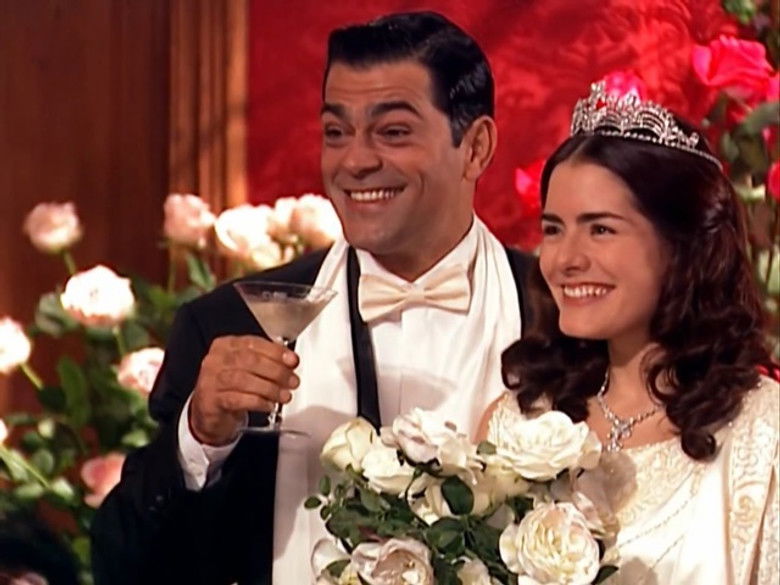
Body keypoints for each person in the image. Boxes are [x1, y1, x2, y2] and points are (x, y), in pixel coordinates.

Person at [91, 12, 537, 585]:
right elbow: (121, 565)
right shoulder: (230, 323)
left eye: (392, 132)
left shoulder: (565, 319)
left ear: (475, 147)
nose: (354, 161)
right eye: (336, 132)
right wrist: (199, 437)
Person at [482, 82, 779, 584]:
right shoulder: (517, 422)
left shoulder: (762, 431)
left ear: (681, 246)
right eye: (553, 229)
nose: (565, 259)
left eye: (600, 229)